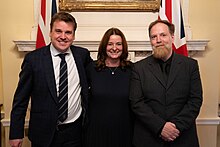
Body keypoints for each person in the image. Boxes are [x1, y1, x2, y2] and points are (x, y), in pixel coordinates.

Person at [9, 12, 92, 147]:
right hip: (43, 133)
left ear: (74, 35)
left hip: (75, 133)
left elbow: (97, 77)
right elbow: (21, 100)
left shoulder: (82, 55)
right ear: (50, 32)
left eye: (68, 32)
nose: (63, 37)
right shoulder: (33, 60)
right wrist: (15, 133)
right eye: (58, 31)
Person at [129, 20, 203, 147]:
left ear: (172, 37)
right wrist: (160, 127)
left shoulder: (190, 65)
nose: (158, 40)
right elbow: (136, 102)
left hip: (182, 137)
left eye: (163, 35)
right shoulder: (139, 68)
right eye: (154, 37)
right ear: (150, 41)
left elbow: (195, 100)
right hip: (149, 138)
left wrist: (175, 127)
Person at [84, 28, 133, 147]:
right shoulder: (91, 69)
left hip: (125, 132)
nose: (114, 48)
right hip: (96, 132)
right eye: (110, 44)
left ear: (124, 46)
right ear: (104, 46)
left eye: (118, 44)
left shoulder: (132, 70)